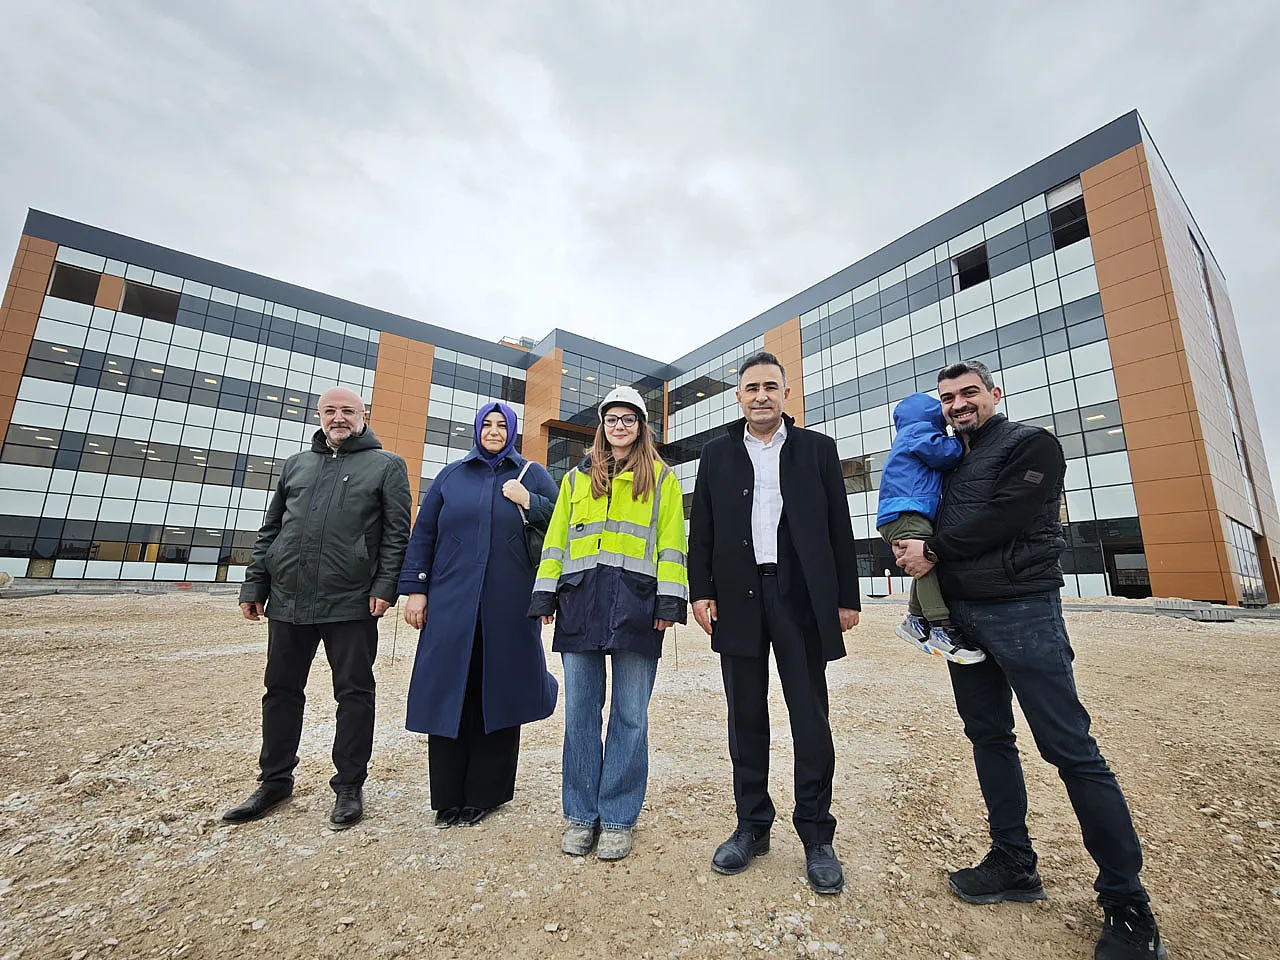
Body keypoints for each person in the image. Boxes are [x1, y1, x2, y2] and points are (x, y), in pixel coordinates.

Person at [894, 360, 1166, 960]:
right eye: (948, 398)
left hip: (1022, 612)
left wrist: (931, 548)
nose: (958, 405)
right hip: (962, 617)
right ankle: (1013, 861)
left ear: (995, 394)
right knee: (988, 738)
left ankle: (1126, 901)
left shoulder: (1030, 444)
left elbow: (1008, 514)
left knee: (1070, 749)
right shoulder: (948, 458)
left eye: (969, 393)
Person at [687, 351, 861, 896]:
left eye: (770, 386)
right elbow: (702, 530)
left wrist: (846, 597)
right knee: (745, 715)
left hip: (800, 597)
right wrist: (701, 591)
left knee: (809, 715)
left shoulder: (817, 450)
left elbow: (839, 527)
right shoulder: (716, 454)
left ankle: (816, 833)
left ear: (786, 394)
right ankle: (752, 826)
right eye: (751, 387)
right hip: (738, 598)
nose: (760, 395)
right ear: (739, 397)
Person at [225, 386, 412, 829]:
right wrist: (255, 584)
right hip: (288, 599)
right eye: (330, 410)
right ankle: (274, 781)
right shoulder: (297, 464)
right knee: (280, 691)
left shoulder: (387, 465)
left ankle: (349, 785)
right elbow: (271, 529)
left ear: (364, 415)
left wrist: (385, 586)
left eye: (348, 410)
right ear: (319, 416)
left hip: (351, 601)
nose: (338, 417)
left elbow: (396, 534)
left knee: (354, 693)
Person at [528, 385, 688, 862]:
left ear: (641, 426)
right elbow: (556, 541)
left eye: (629, 419)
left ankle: (617, 818)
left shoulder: (662, 479)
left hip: (638, 605)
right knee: (580, 714)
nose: (620, 426)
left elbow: (672, 543)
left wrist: (669, 602)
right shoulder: (576, 480)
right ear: (602, 426)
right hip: (580, 604)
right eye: (612, 419)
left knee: (630, 716)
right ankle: (581, 816)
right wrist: (545, 593)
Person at [398, 402, 559, 827]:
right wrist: (416, 590)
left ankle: (485, 794)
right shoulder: (451, 476)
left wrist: (530, 502)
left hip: (510, 603)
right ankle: (448, 796)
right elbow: (424, 534)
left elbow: (565, 525)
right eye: (487, 424)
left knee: (499, 690)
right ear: (476, 429)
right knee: (451, 689)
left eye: (502, 425)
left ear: (513, 431)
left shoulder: (532, 475)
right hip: (451, 602)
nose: (493, 431)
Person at [875, 391, 984, 664]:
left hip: (901, 511)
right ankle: (940, 627)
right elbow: (944, 455)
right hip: (906, 510)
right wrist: (961, 439)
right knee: (926, 562)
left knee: (921, 565)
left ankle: (915, 619)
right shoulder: (919, 431)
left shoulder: (907, 434)